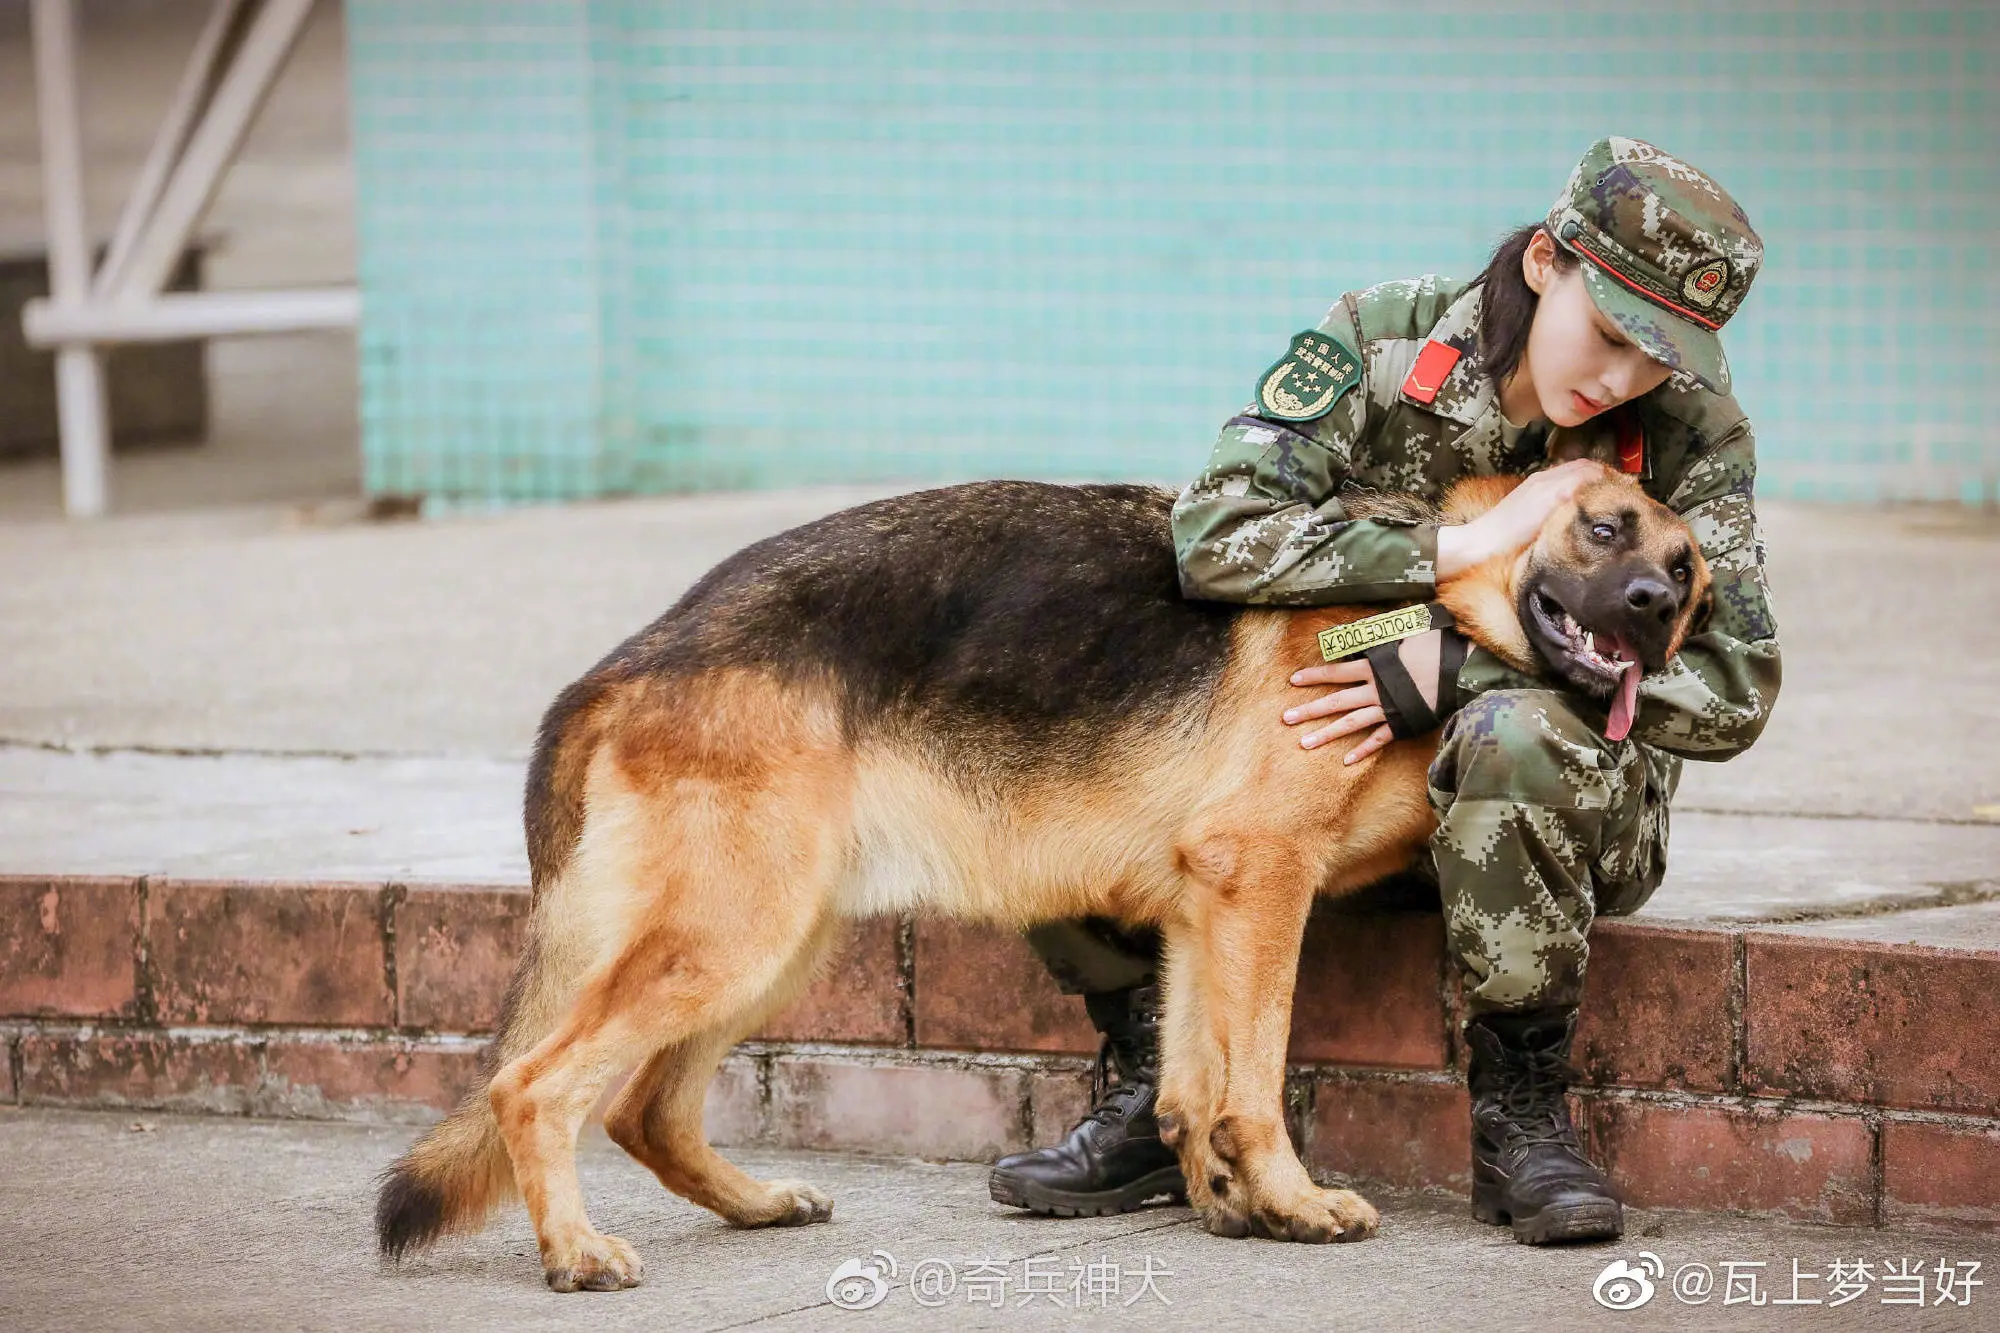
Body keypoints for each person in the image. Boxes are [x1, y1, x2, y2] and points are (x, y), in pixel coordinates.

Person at [987, 137, 1780, 1244]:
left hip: (1552, 817)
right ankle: (1152, 1086)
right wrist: (1460, 547)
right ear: (1547, 262)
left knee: (1512, 729)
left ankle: (1519, 1111)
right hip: (1321, 798)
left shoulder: (1694, 431)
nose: (1619, 379)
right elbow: (1210, 538)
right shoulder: (1379, 339)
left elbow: (1734, 684)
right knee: (1079, 674)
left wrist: (1455, 666)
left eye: (1657, 358)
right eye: (1607, 334)